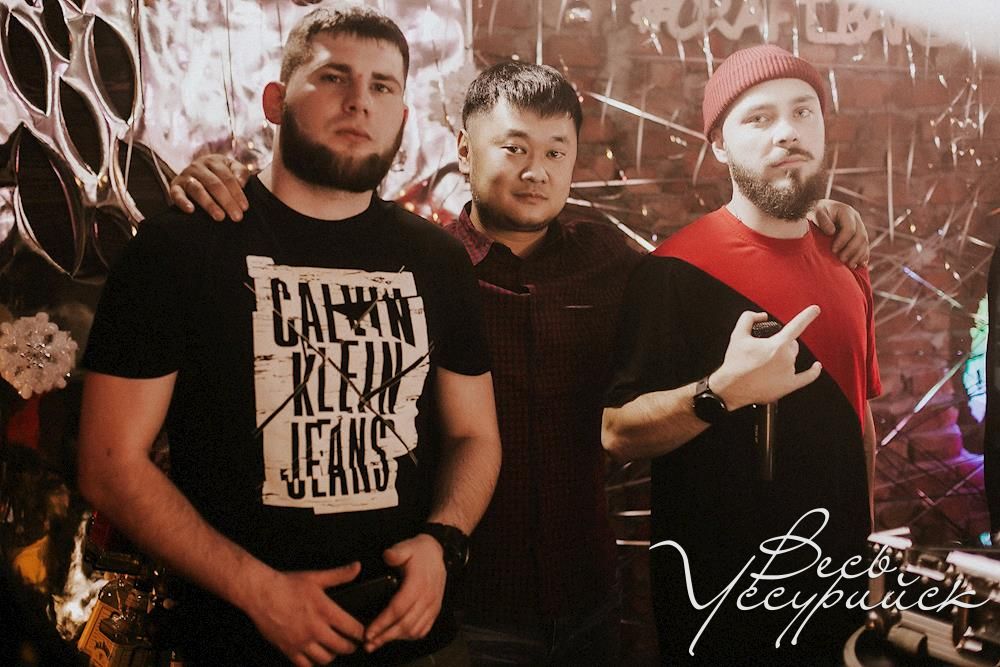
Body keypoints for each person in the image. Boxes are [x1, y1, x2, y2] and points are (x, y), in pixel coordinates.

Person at [169, 62, 870, 664]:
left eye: (557, 151)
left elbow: (720, 256)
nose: (537, 171)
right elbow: (309, 228)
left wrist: (818, 213)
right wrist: (216, 183)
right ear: (464, 149)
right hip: (456, 604)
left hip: (590, 598)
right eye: (514, 148)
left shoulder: (612, 262)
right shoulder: (413, 264)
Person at [78, 6, 502, 666]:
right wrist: (258, 591)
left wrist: (443, 542)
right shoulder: (179, 247)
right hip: (235, 642)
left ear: (403, 116)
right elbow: (109, 464)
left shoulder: (439, 260)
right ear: (275, 100)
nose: (360, 101)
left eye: (383, 86)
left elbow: (476, 434)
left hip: (417, 640)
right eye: (333, 77)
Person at [602, 45, 880, 665]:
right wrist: (721, 392)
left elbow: (861, 424)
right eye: (758, 118)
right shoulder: (674, 270)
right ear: (720, 146)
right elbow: (617, 432)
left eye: (803, 112)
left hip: (836, 590)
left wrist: (868, 556)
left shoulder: (848, 260)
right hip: (720, 605)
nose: (787, 132)